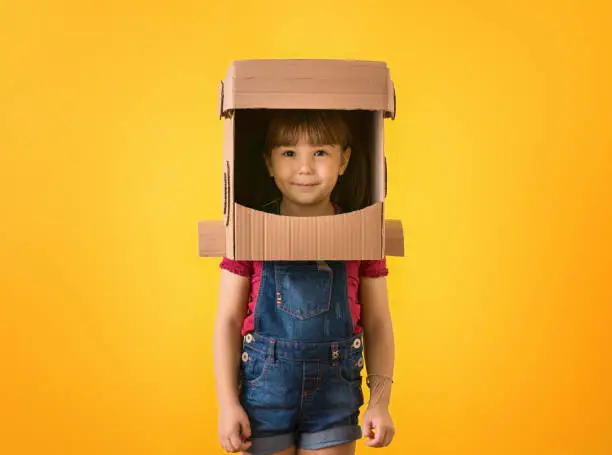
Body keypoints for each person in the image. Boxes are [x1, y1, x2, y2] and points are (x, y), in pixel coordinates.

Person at [213, 110, 396, 455]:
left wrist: (380, 401)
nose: (305, 168)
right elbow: (228, 320)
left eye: (321, 153)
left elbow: (377, 322)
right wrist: (227, 403)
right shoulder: (249, 230)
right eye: (289, 153)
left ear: (344, 160)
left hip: (334, 397)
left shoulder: (362, 233)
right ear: (269, 163)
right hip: (263, 397)